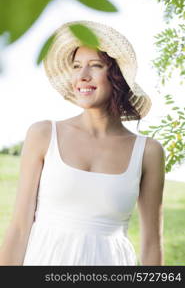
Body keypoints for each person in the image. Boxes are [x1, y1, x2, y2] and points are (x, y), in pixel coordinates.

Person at [0, 20, 165, 266]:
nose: (82, 76)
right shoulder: (44, 135)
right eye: (77, 66)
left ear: (117, 76)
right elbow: (20, 227)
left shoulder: (148, 152)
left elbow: (152, 242)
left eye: (95, 66)